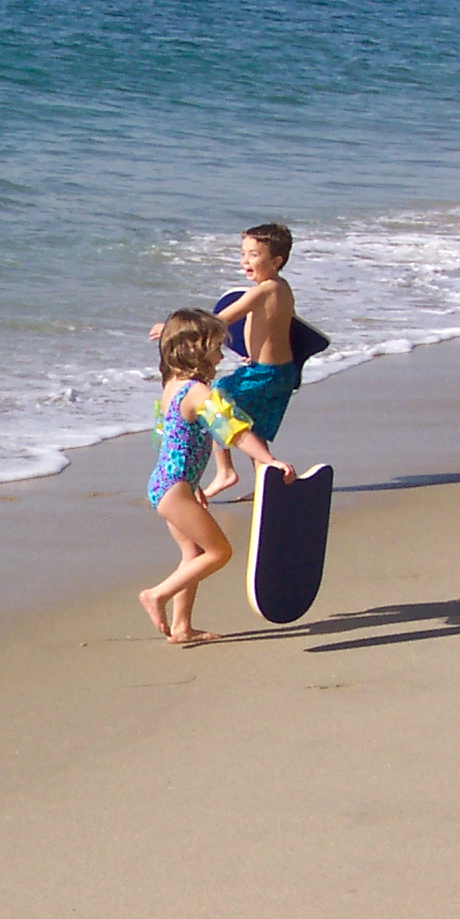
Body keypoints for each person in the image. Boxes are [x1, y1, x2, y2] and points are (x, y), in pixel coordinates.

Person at [141, 309, 294, 645]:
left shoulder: (170, 386)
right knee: (219, 552)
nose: (221, 355)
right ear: (195, 349)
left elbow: (162, 437)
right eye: (215, 348)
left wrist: (191, 485)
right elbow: (233, 430)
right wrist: (268, 460)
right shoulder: (196, 391)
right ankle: (157, 594)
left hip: (169, 484)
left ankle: (181, 627)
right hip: (175, 489)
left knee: (193, 554)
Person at [201, 222, 301, 498]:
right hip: (276, 371)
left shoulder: (264, 290)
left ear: (276, 261)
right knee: (251, 425)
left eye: (254, 255)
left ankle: (225, 472)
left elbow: (222, 320)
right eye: (243, 253)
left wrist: (176, 329)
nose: (246, 260)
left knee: (213, 402)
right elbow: (274, 328)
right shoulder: (281, 288)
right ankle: (265, 482)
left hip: (265, 374)